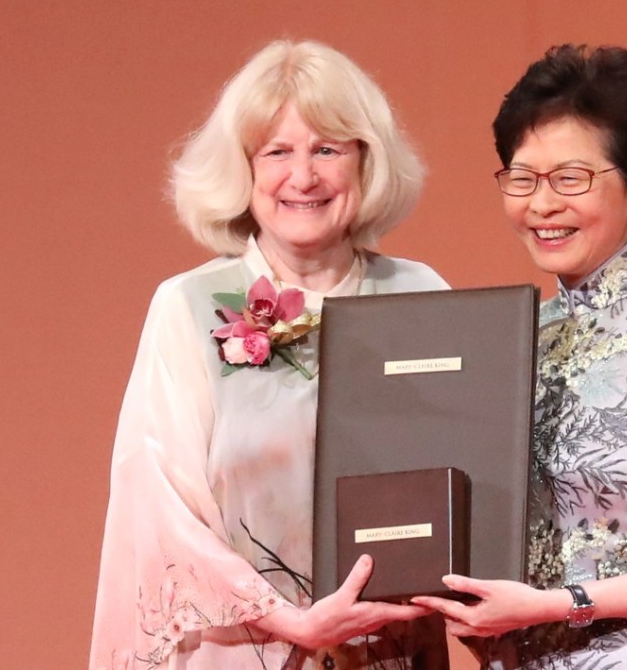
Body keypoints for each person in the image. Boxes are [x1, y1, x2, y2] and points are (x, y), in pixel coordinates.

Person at [89, 40, 450, 670]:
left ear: (365, 162)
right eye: (277, 152)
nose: (303, 177)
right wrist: (294, 622)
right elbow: (159, 506)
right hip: (242, 648)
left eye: (328, 149)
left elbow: (470, 471)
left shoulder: (422, 295)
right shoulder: (189, 306)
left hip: (389, 650)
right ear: (244, 170)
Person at [413, 44, 627, 669]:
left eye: (570, 178)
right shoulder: (513, 342)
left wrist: (555, 605)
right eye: (522, 178)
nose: (542, 205)